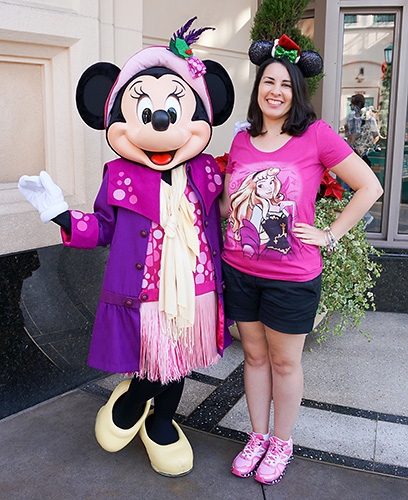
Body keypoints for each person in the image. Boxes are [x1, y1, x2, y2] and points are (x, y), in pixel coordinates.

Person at [18, 17, 234, 478]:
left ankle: (160, 421)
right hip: (143, 294)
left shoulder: (209, 173)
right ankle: (137, 395)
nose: (160, 121)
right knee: (154, 359)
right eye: (144, 111)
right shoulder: (120, 176)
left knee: (182, 361)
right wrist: (59, 214)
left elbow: (228, 216)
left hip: (196, 290)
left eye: (174, 109)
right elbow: (103, 228)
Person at [219, 35, 383, 486]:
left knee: (285, 363)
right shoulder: (242, 140)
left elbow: (370, 187)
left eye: (285, 84)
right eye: (268, 82)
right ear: (257, 89)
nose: (275, 90)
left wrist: (330, 234)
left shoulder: (316, 135)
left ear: (297, 92)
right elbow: (232, 201)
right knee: (253, 357)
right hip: (239, 268)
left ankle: (283, 441)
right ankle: (257, 435)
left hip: (292, 277)